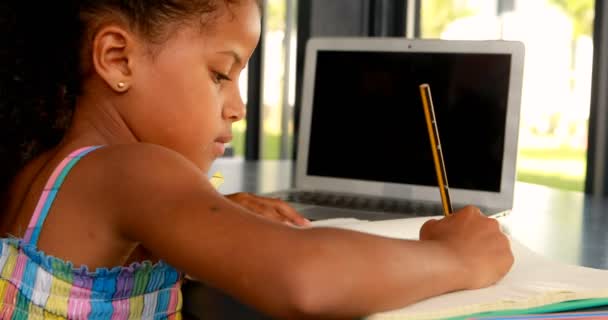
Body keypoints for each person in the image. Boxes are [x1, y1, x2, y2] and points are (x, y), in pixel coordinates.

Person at [0, 0, 513, 319]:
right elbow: (304, 280)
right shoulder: (134, 169)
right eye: (221, 74)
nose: (239, 107)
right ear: (117, 58)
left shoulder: (45, 167)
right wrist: (458, 258)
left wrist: (215, 210)